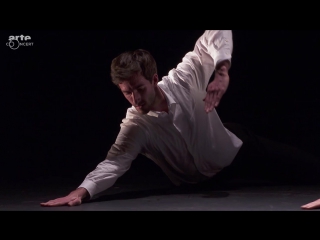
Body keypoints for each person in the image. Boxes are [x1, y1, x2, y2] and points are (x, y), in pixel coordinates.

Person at [40, 30, 320, 210]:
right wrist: (81, 191)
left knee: (303, 165)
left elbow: (216, 32)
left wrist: (222, 71)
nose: (135, 99)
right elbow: (114, 163)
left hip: (237, 151)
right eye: (127, 93)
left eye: (140, 89)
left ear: (154, 79)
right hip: (202, 184)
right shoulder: (135, 126)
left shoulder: (184, 78)